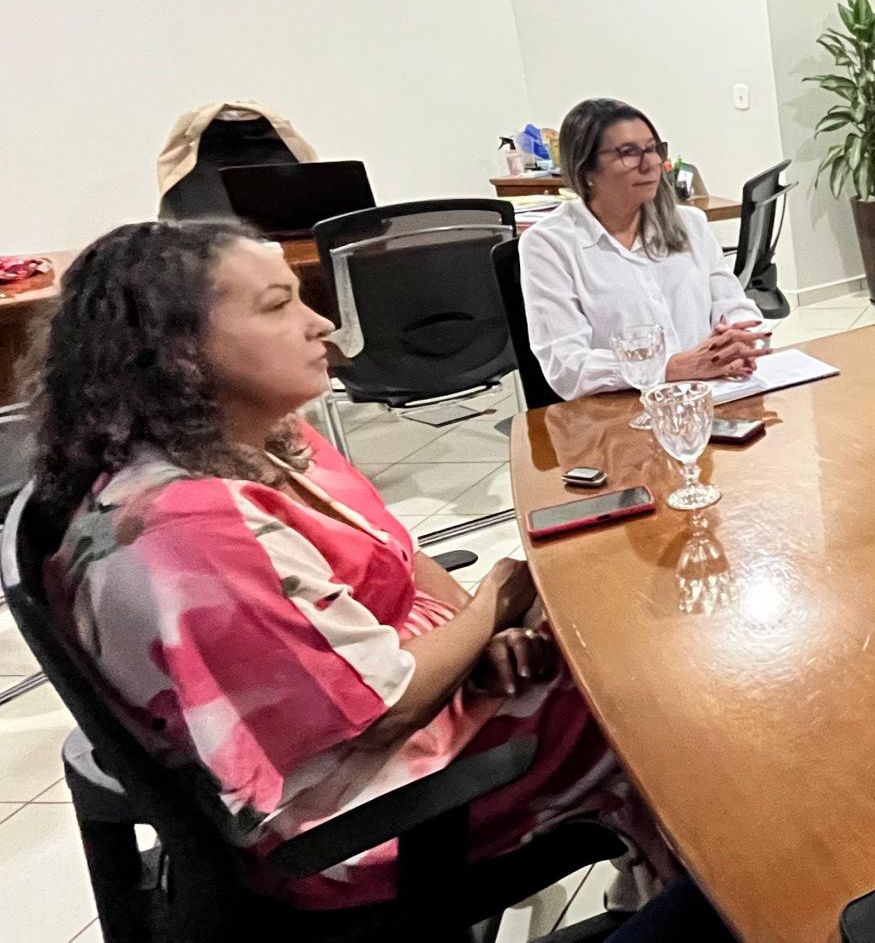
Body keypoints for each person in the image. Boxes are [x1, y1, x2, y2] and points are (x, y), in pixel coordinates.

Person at [23, 220, 680, 911]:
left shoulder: (260, 438)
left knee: (618, 637)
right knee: (651, 703)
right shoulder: (193, 531)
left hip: (414, 712)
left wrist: (484, 637)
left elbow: (401, 558)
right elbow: (384, 708)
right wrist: (495, 601)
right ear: (179, 351)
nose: (322, 324)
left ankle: (657, 886)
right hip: (361, 813)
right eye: (278, 306)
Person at [520, 98, 768, 400]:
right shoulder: (549, 244)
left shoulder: (689, 223)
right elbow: (567, 365)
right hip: (619, 409)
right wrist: (670, 367)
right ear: (585, 170)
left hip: (711, 395)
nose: (650, 163)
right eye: (628, 153)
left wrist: (740, 342)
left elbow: (733, 304)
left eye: (652, 149)